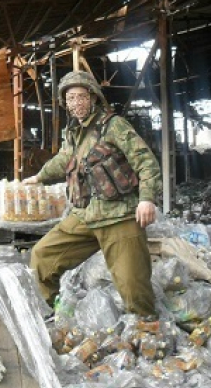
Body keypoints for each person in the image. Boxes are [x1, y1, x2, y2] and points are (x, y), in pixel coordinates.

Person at [24, 70, 162, 317]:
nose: (76, 103)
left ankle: (147, 333)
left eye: (80, 97)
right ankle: (53, 314)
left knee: (133, 286)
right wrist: (39, 177)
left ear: (93, 97)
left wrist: (146, 199)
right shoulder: (74, 133)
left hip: (118, 215)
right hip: (85, 215)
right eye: (70, 99)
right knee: (42, 256)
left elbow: (146, 161)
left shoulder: (114, 126)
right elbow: (64, 159)